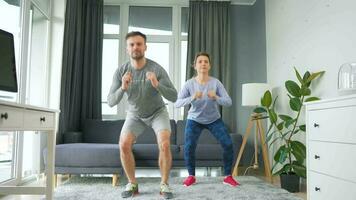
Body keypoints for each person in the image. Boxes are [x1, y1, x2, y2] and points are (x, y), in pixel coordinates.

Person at [107, 31, 177, 199]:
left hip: (157, 112)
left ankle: (164, 184)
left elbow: (174, 96)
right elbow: (110, 101)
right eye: (132, 44)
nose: (135, 47)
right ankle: (132, 183)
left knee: (165, 144)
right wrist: (123, 87)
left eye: (139, 44)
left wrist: (157, 84)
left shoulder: (156, 69)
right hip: (135, 114)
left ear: (145, 47)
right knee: (123, 144)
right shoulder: (121, 71)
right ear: (127, 48)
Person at [175, 52, 239, 187]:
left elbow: (228, 102)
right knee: (189, 146)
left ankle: (228, 176)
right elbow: (177, 103)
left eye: (206, 62)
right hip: (194, 120)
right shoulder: (189, 84)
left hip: (214, 119)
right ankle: (191, 176)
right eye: (200, 61)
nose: (203, 63)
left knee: (227, 144)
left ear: (209, 65)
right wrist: (192, 97)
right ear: (195, 66)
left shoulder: (216, 83)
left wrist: (216, 97)